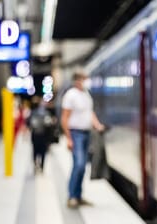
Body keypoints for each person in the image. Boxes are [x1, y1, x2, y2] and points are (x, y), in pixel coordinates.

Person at [61, 70, 105, 208]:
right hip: (76, 134)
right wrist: (68, 138)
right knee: (79, 164)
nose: (87, 81)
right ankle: (72, 197)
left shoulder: (86, 94)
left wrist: (97, 125)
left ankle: (78, 196)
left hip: (86, 134)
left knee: (83, 167)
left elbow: (89, 112)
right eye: (85, 78)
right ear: (77, 80)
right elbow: (64, 118)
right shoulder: (70, 95)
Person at [27, 96, 53, 174]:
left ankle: (41, 165)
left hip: (42, 135)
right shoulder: (35, 112)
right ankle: (37, 165)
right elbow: (29, 122)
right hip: (37, 134)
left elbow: (49, 124)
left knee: (40, 151)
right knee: (38, 151)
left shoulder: (44, 113)